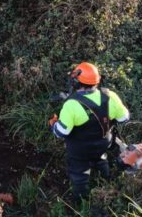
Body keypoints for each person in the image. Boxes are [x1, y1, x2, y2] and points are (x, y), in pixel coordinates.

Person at [48, 62, 130, 201]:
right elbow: (124, 118)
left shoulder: (71, 104)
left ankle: (80, 200)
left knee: (79, 173)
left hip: (80, 151)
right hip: (104, 144)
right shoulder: (110, 95)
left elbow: (61, 132)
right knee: (101, 159)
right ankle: (106, 181)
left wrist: (53, 124)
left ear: (76, 81)